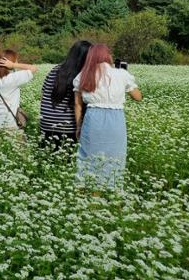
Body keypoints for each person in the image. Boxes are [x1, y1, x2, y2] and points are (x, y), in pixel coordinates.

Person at [73, 44, 142, 189]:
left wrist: (79, 127)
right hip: (116, 120)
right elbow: (138, 97)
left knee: (89, 156)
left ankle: (87, 191)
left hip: (92, 119)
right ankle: (112, 189)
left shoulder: (83, 75)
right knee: (115, 156)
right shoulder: (121, 74)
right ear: (107, 56)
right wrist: (125, 77)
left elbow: (78, 105)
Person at [39, 40, 92, 150]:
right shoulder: (81, 74)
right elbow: (81, 104)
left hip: (46, 123)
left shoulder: (55, 69)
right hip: (67, 128)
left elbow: (42, 95)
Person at [0, 49, 37, 138]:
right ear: (9, 63)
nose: (17, 61)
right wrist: (14, 65)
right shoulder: (13, 78)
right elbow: (34, 68)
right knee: (19, 150)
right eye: (16, 60)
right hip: (9, 123)